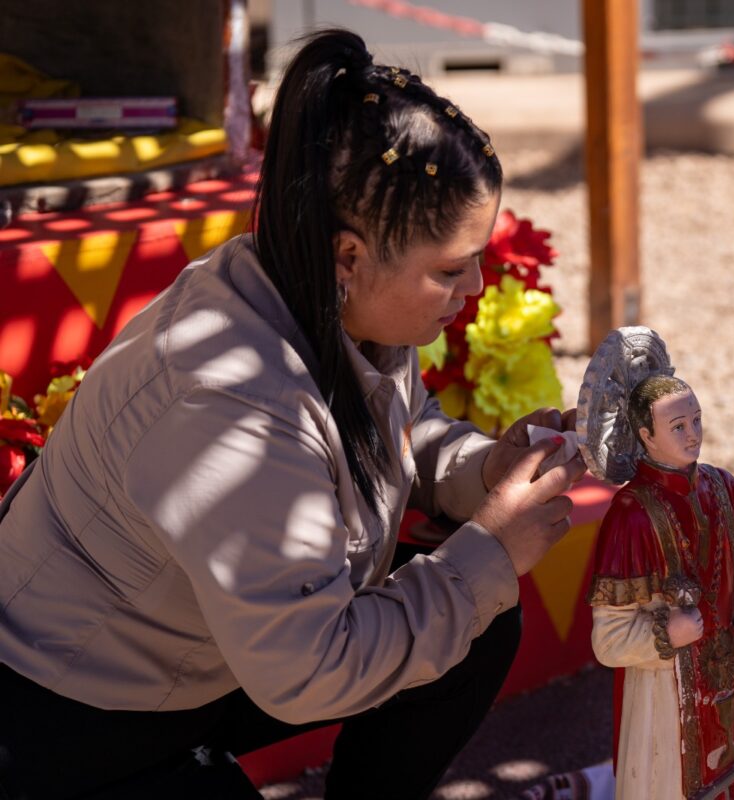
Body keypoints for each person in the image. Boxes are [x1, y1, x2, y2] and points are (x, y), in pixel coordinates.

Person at [0, 29, 584, 799]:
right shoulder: (230, 399)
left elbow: (403, 426)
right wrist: (488, 551)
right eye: (450, 268)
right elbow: (308, 672)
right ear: (350, 256)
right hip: (73, 713)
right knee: (471, 590)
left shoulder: (320, 292)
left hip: (208, 659)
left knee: (476, 621)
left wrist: (482, 472)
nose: (475, 284)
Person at [586, 371, 734, 800]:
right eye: (678, 426)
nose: (693, 434)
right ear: (645, 435)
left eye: (697, 420)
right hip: (667, 696)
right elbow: (608, 640)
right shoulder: (630, 515)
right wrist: (664, 635)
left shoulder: (723, 485)